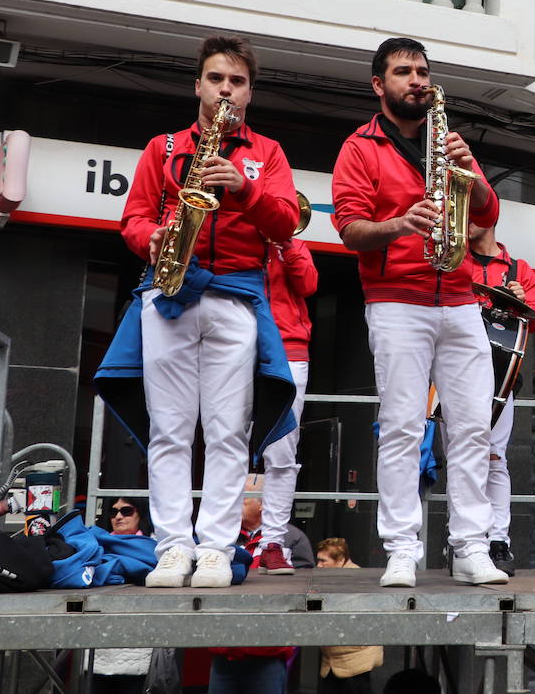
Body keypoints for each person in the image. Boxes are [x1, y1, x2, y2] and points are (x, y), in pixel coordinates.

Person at [96, 34, 299, 589]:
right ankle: (171, 547)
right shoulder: (162, 148)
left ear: (250, 93)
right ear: (198, 86)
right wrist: (153, 238)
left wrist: (245, 192)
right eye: (216, 79)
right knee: (169, 430)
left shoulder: (268, 154)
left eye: (236, 81)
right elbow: (133, 218)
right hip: (170, 295)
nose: (225, 89)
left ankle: (215, 547)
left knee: (228, 430)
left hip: (236, 297)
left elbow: (286, 223)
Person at [331, 37, 506, 587]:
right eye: (403, 71)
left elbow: (487, 211)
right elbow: (349, 228)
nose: (416, 79)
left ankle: (471, 547)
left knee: (475, 428)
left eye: (422, 71)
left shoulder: (447, 139)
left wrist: (468, 169)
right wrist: (400, 224)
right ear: (379, 85)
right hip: (395, 302)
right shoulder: (358, 148)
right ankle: (402, 549)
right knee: (403, 429)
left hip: (459, 298)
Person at [466, 223, 535, 576]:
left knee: (496, 459)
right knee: (464, 457)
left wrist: (520, 301)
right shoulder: (456, 259)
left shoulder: (519, 269)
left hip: (501, 377)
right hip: (460, 372)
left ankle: (498, 541)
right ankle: (468, 540)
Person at [257, 234, 318, 574]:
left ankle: (273, 543)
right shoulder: (241, 236)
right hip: (237, 343)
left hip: (289, 348)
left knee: (282, 452)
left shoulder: (295, 245)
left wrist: (285, 243)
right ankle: (219, 543)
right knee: (228, 444)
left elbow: (308, 283)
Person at [90, 499, 153, 694]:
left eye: (126, 511)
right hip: (99, 637)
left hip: (137, 638)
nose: (118, 516)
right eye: (113, 512)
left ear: (140, 515)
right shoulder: (95, 545)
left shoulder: (154, 547)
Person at [315, 538, 384, 694]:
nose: (318, 566)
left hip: (354, 659)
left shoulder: (355, 581)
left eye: (323, 561)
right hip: (334, 659)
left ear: (340, 561)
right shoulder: (330, 580)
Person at [237, 474, 314, 569]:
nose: (235, 504)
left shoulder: (293, 537)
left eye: (243, 497)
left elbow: (303, 575)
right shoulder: (225, 533)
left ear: (263, 503)